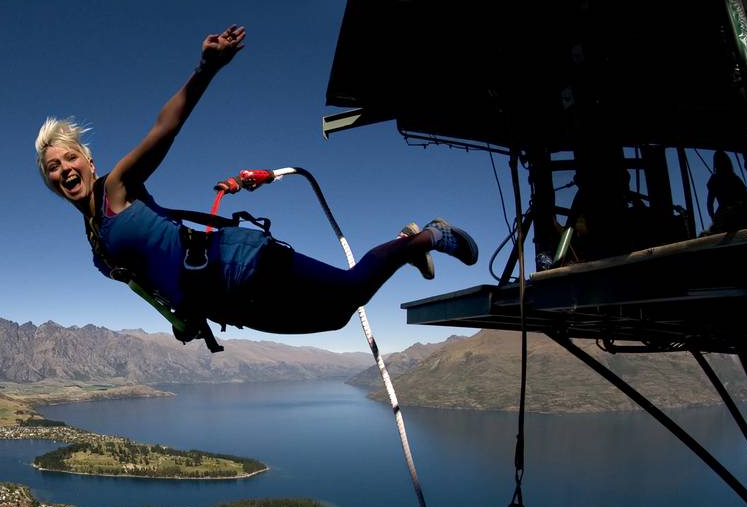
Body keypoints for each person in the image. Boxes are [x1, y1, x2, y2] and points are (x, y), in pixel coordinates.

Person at [34, 25, 477, 342]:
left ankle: (422, 240)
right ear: (49, 181)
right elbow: (149, 278)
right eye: (53, 167)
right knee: (337, 320)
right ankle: (405, 246)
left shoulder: (116, 189)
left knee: (347, 293)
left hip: (238, 264)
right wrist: (180, 315)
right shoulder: (95, 240)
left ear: (89, 161)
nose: (64, 169)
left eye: (70, 157)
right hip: (222, 301)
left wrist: (205, 70)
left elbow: (163, 130)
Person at [705, 150, 747, 234]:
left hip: (738, 212)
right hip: (727, 214)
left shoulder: (734, 179)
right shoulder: (716, 180)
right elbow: (710, 204)